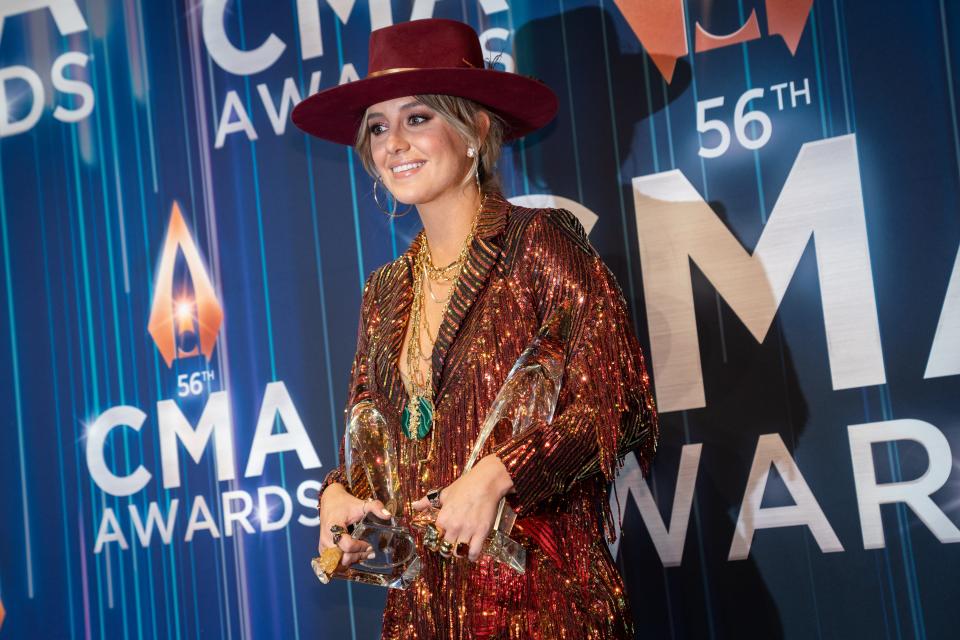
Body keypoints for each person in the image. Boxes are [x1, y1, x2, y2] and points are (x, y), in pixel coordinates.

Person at [292, 18, 659, 639]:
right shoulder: (383, 293)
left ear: (475, 129)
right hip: (423, 617)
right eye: (378, 127)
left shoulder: (540, 244)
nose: (393, 144)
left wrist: (500, 472)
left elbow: (620, 406)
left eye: (417, 118)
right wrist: (344, 502)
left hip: (545, 609)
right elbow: (387, 463)